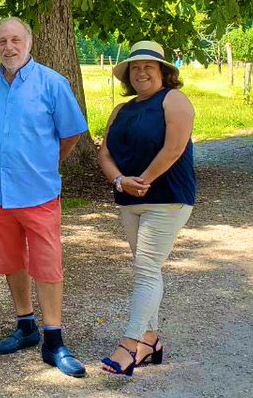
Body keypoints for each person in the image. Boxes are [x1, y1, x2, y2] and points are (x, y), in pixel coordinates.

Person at [0, 17, 90, 378]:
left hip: (38, 193)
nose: (9, 46)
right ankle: (26, 326)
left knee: (47, 264)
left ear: (30, 42)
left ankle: (54, 340)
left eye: (15, 39)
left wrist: (48, 164)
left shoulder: (52, 83)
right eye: (2, 41)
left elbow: (71, 134)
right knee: (11, 261)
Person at [97, 40, 196, 377]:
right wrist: (121, 181)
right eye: (135, 68)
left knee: (146, 268)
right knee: (145, 267)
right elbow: (104, 153)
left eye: (148, 67)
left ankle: (129, 344)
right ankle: (151, 340)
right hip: (129, 199)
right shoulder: (121, 110)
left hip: (167, 197)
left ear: (163, 73)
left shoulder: (175, 101)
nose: (140, 73)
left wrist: (144, 180)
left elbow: (174, 148)